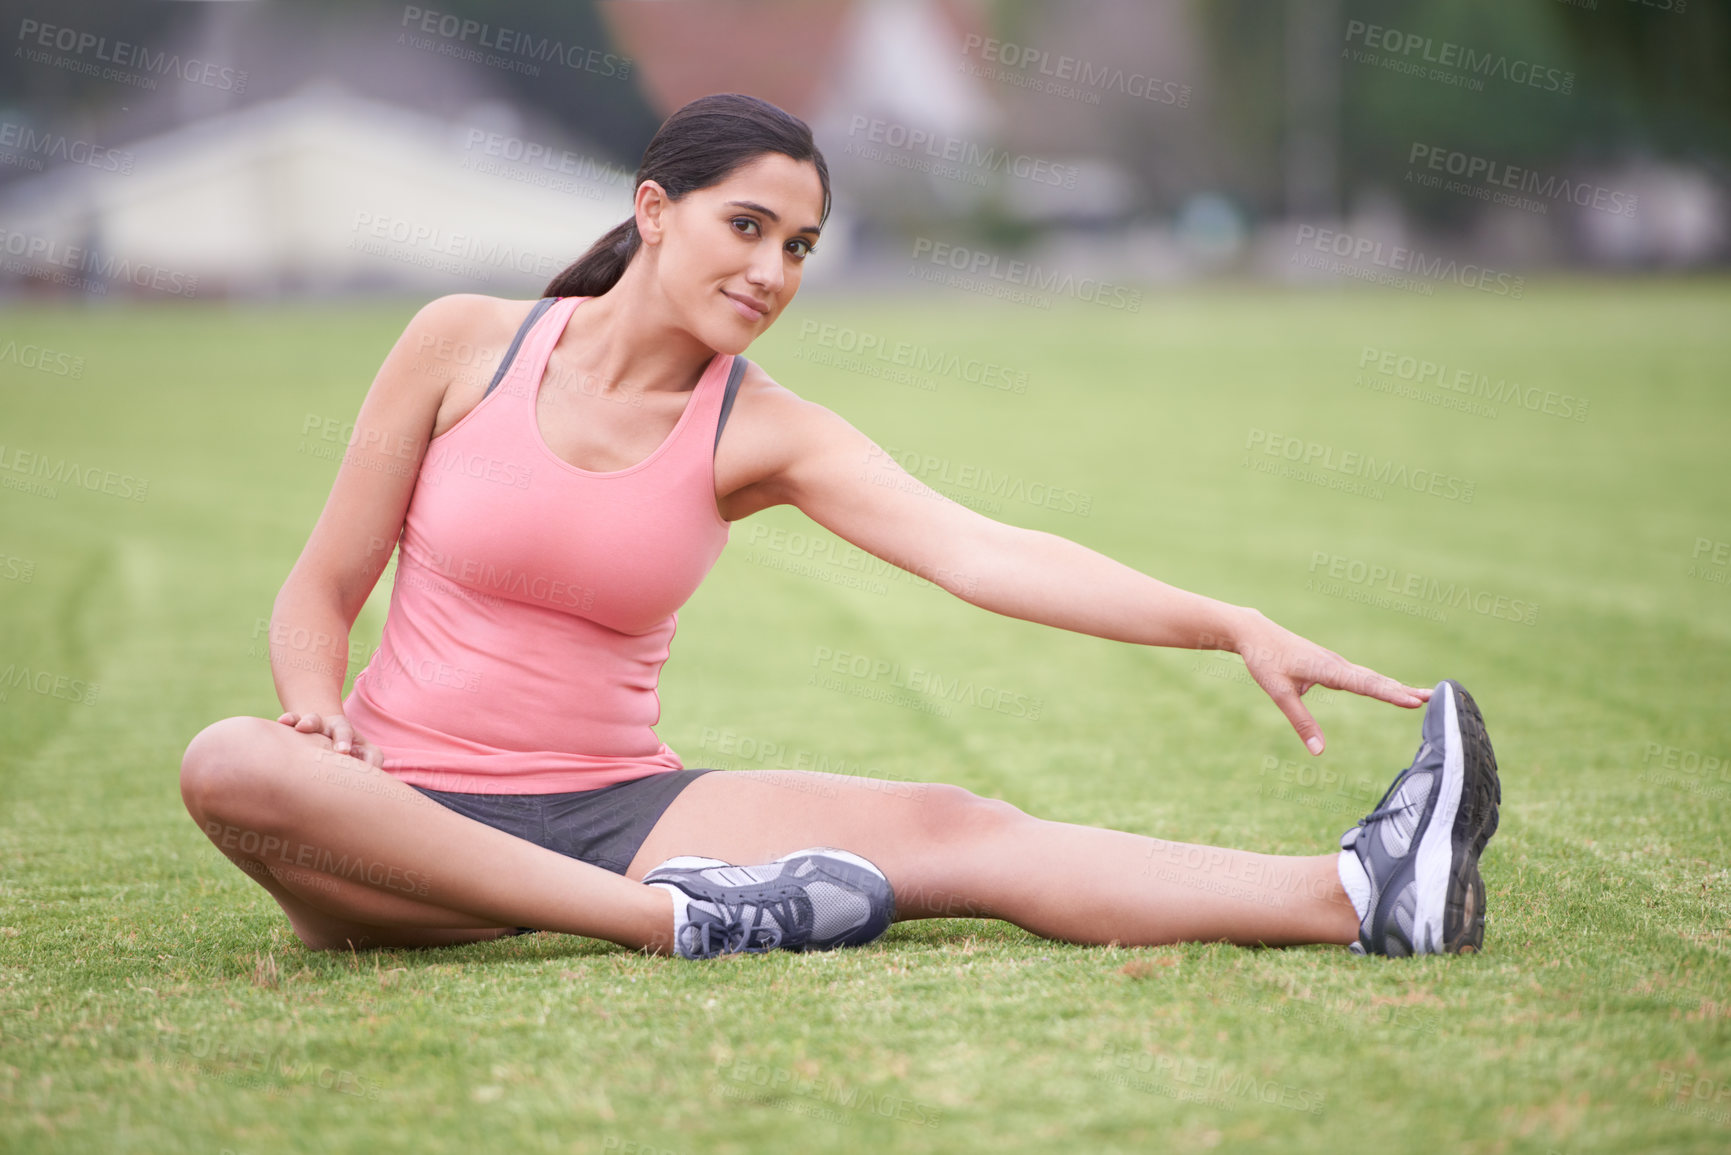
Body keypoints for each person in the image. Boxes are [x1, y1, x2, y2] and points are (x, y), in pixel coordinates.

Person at [178, 93, 1500, 962]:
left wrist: (1227, 623)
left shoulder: (765, 431)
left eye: (801, 247)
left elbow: (984, 553)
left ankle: (1361, 892)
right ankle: (665, 926)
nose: (771, 273)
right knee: (232, 762)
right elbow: (322, 586)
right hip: (391, 821)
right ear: (654, 211)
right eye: (746, 227)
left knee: (962, 823)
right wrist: (315, 708)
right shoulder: (462, 344)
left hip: (617, 809)